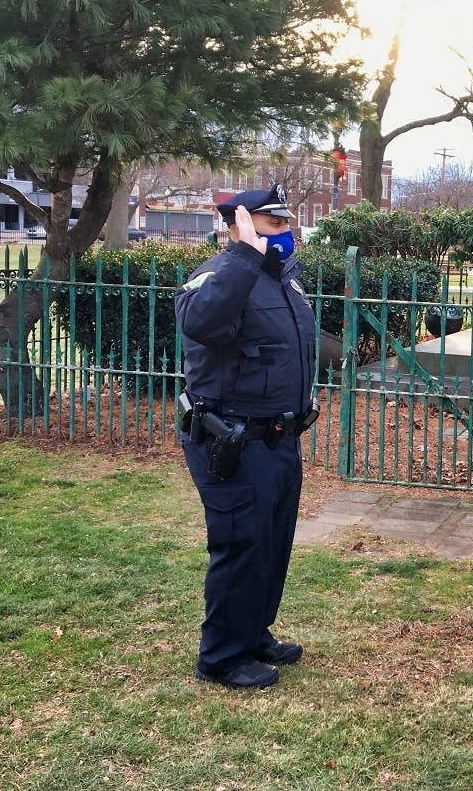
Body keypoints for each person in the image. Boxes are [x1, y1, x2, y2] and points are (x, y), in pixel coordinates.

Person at [176, 184, 320, 690]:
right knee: (241, 544)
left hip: (279, 438)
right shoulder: (217, 277)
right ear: (240, 225)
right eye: (273, 223)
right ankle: (221, 657)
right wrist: (243, 256)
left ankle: (253, 633)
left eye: (287, 223)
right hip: (232, 441)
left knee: (271, 543)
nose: (285, 232)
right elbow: (201, 322)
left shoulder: (283, 281)